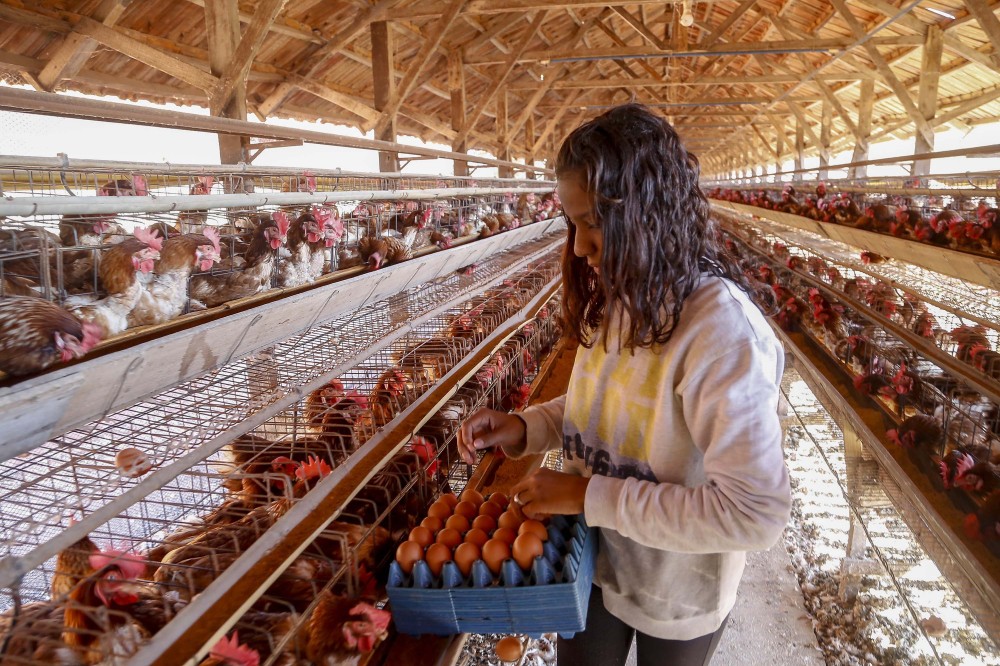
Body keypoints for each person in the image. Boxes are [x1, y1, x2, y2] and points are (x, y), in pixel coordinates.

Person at [457, 104, 791, 666]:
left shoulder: (722, 333)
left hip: (675, 587)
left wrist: (587, 496)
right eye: (572, 225)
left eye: (593, 223)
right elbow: (610, 406)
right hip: (595, 559)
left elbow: (754, 513)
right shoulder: (624, 294)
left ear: (647, 212)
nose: (579, 247)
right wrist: (526, 427)